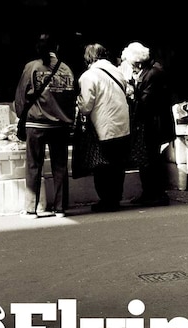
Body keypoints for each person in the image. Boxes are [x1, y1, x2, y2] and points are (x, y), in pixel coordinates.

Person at [14, 33, 76, 218]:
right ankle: (60, 208)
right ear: (56, 48)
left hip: (36, 123)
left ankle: (31, 208)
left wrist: (20, 116)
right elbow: (71, 98)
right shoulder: (66, 69)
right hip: (60, 125)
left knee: (33, 165)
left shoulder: (32, 67)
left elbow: (21, 96)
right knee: (60, 166)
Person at [76, 43, 131, 212]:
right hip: (123, 125)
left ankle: (107, 200)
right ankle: (115, 198)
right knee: (118, 165)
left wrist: (78, 103)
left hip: (104, 127)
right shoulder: (117, 71)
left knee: (102, 166)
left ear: (88, 58)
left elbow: (86, 106)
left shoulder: (88, 76)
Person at [122, 42, 175, 206]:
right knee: (149, 159)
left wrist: (132, 95)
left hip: (153, 125)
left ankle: (155, 194)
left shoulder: (152, 74)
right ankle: (150, 192)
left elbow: (146, 102)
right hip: (152, 124)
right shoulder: (150, 72)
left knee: (151, 160)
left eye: (131, 64)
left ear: (137, 62)